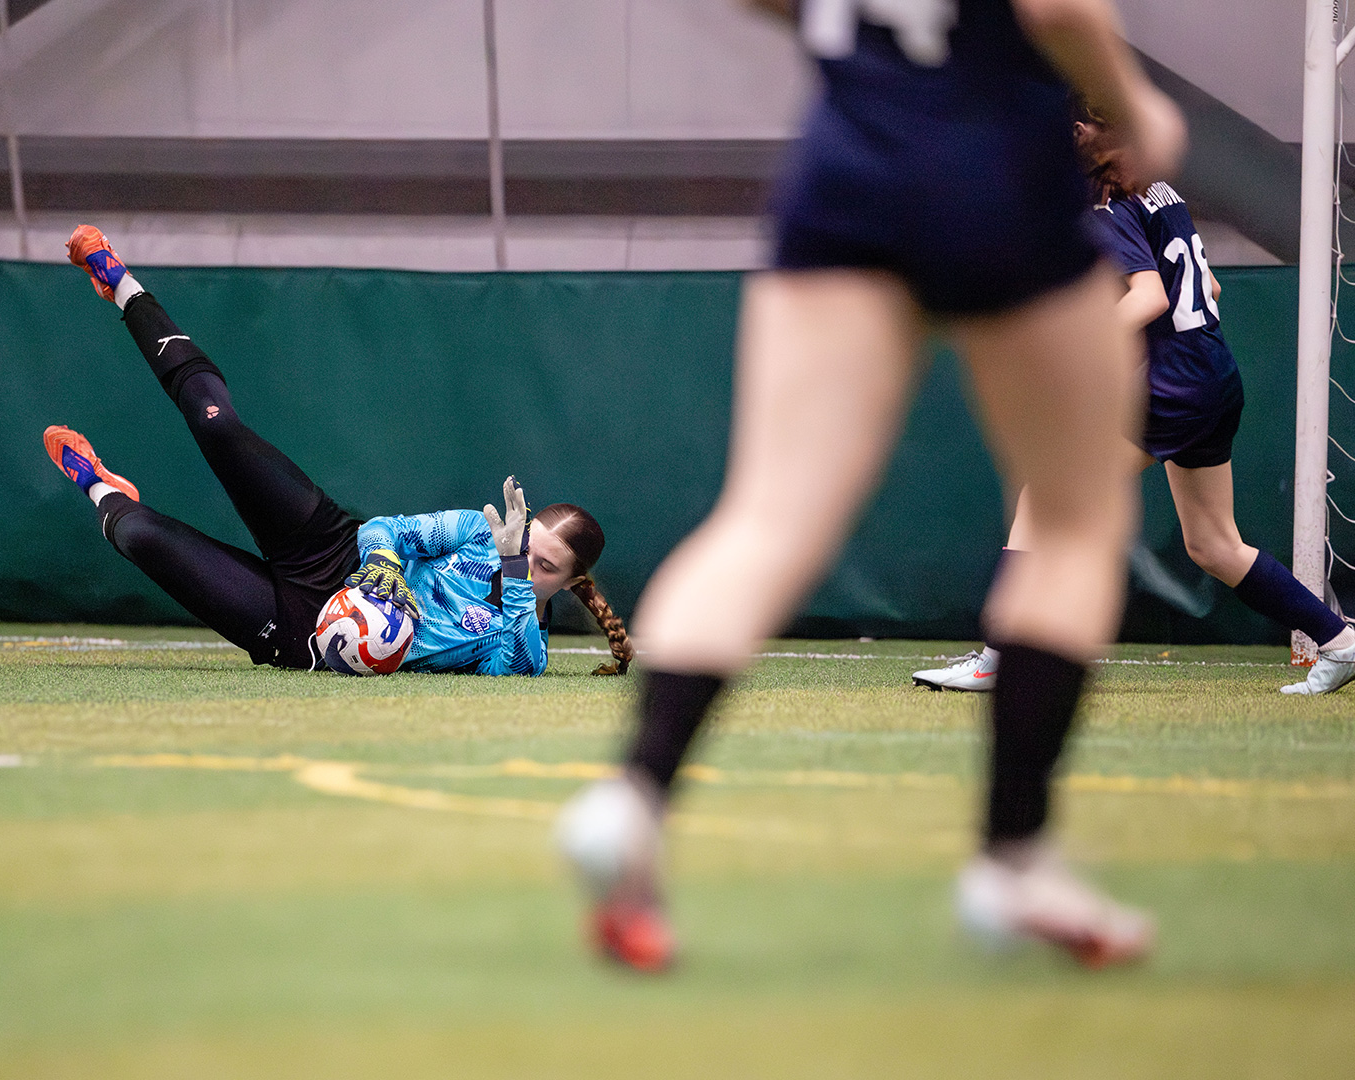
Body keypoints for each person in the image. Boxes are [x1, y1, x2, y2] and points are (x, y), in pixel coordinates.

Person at [554, 0, 1186, 972]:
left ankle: (634, 797)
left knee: (766, 517)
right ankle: (1013, 857)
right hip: (996, 168)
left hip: (847, 165)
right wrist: (1139, 111)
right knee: (1073, 521)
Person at [43, 226, 634, 678]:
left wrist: (509, 577)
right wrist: (382, 566)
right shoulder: (481, 532)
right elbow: (388, 529)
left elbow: (509, 668)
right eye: (528, 549)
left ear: (572, 580)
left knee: (141, 536)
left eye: (545, 568)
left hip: (306, 633)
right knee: (218, 427)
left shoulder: (526, 644)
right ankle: (122, 286)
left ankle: (102, 488)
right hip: (327, 548)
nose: (528, 563)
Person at [912, 104, 1355, 696]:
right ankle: (1341, 642)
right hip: (1213, 374)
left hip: (1174, 386)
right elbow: (1210, 286)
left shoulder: (1107, 205)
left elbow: (1148, 297)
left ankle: (1001, 658)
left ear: (1084, 134)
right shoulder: (1161, 192)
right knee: (1213, 543)